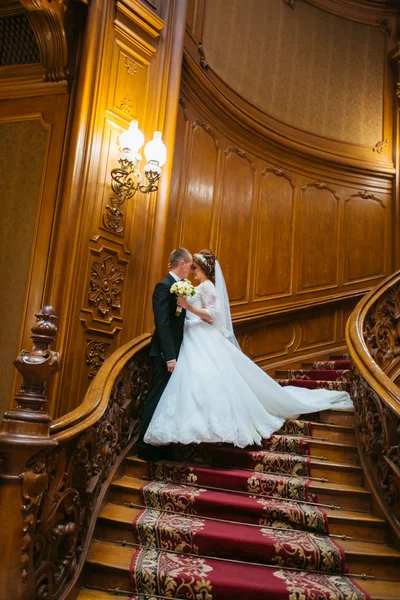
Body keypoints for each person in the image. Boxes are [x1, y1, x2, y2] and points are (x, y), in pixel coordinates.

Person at [144, 249, 353, 448]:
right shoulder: (190, 285)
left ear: (203, 269)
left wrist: (188, 307)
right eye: (191, 267)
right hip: (189, 334)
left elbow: (213, 315)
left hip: (197, 332)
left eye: (195, 268)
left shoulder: (207, 286)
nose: (192, 271)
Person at [140, 247, 193, 444]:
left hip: (176, 352)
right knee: (156, 398)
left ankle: (161, 444)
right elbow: (162, 324)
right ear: (182, 264)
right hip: (164, 354)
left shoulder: (179, 286)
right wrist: (170, 356)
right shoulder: (164, 286)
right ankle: (145, 446)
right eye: (189, 265)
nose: (189, 269)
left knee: (167, 400)